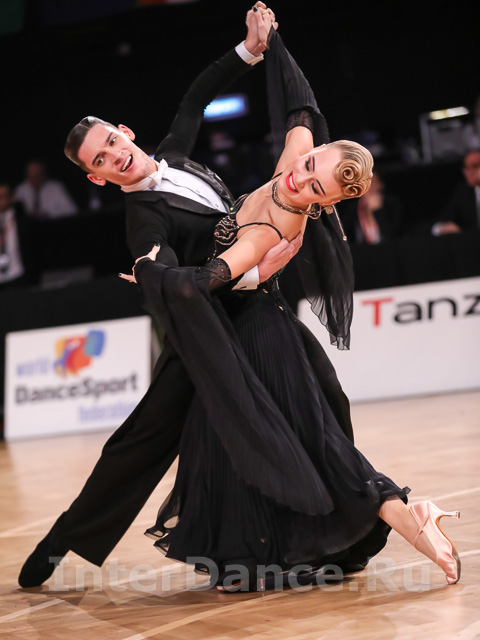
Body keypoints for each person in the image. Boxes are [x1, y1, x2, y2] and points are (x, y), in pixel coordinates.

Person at [124, 29, 461, 592]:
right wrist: (270, 42)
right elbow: (301, 105)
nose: (299, 178)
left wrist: (151, 273)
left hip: (258, 341)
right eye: (308, 164)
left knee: (293, 446)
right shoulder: (292, 160)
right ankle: (267, 552)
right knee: (263, 446)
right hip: (257, 332)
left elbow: (206, 283)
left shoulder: (268, 228)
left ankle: (403, 516)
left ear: (325, 205)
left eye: (312, 188)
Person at [18, 2, 308, 590]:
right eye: (100, 161)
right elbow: (171, 275)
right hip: (203, 335)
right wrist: (243, 273)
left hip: (247, 317)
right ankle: (63, 537)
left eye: (111, 142)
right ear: (97, 177)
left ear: (124, 131)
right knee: (145, 439)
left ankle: (290, 535)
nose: (114, 156)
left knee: (298, 409)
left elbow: (196, 97)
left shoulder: (174, 156)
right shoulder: (142, 220)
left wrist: (250, 49)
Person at [339, 170, 403, 244]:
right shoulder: (353, 208)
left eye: (373, 182)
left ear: (381, 185)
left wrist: (378, 211)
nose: (369, 186)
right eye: (365, 182)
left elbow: (393, 237)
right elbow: (343, 236)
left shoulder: (392, 205)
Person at [431, 149, 480, 235]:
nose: (468, 171)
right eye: (466, 167)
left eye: (474, 166)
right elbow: (441, 221)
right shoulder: (463, 193)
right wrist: (442, 228)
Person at [14, 159, 78, 218]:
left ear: (44, 173)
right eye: (32, 175)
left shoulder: (56, 187)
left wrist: (48, 214)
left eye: (38, 174)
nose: (35, 178)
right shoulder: (21, 189)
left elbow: (72, 211)